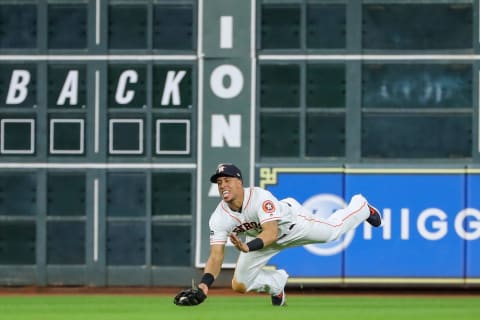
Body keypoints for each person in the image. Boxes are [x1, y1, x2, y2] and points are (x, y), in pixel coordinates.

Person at [176, 163, 381, 307]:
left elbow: (271, 233)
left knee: (332, 233)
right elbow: (216, 255)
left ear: (240, 182)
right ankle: (277, 284)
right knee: (240, 285)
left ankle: (361, 206)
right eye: (219, 182)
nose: (222, 186)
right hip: (259, 241)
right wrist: (204, 286)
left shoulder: (259, 198)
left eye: (227, 180)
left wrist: (247, 247)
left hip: (292, 225)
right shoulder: (219, 216)